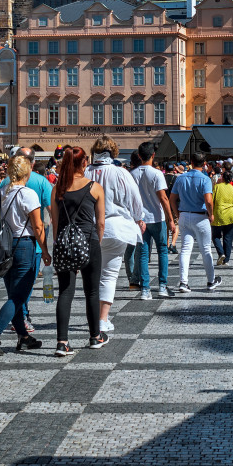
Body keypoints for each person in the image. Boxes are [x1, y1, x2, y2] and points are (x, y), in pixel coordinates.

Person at [0, 153, 48, 355]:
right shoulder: (27, 194)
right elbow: (37, 225)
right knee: (19, 296)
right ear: (27, 173)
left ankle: (24, 337)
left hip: (4, 247)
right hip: (23, 246)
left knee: (14, 293)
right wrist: (45, 250)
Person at [87, 137, 146, 334]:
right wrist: (140, 218)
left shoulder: (85, 172)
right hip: (115, 228)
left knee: (92, 275)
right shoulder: (121, 172)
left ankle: (94, 316)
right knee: (109, 275)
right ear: (113, 152)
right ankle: (102, 319)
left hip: (89, 229)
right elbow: (135, 198)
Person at [51, 147, 105, 355]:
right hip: (89, 241)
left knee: (65, 291)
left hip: (64, 243)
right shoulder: (95, 187)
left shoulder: (58, 189)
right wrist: (96, 243)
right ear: (84, 163)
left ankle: (62, 342)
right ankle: (95, 336)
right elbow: (100, 223)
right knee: (92, 291)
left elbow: (55, 223)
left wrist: (58, 245)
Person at [170, 152, 221, 293]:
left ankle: (183, 282)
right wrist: (211, 215)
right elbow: (209, 201)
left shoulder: (181, 178)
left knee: (185, 249)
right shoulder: (205, 179)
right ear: (204, 163)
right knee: (205, 250)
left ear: (191, 162)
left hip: (185, 216)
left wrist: (177, 213)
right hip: (201, 216)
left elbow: (172, 199)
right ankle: (211, 281)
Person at [131, 142, 173, 299]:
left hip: (140, 220)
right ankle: (162, 286)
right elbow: (163, 198)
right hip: (157, 217)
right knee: (162, 250)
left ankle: (145, 289)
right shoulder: (156, 174)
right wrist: (170, 219)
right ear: (153, 155)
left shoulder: (133, 174)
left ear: (139, 156)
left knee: (142, 253)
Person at [210, 168, 233, 265]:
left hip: (218, 215)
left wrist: (209, 212)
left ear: (223, 178)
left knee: (215, 236)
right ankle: (226, 260)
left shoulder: (217, 187)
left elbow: (211, 200)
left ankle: (221, 253)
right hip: (231, 216)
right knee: (228, 238)